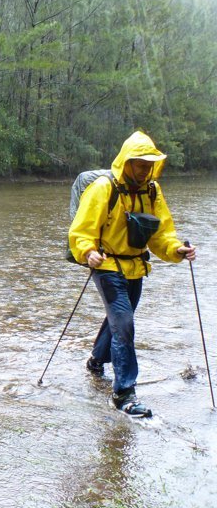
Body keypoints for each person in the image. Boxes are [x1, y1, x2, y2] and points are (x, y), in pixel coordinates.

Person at [69, 131, 196, 417]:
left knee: (119, 320)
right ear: (126, 162)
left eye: (149, 164)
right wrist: (88, 251)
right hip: (107, 265)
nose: (145, 169)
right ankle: (123, 394)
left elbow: (162, 233)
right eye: (140, 163)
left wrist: (176, 249)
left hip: (136, 266)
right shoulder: (103, 188)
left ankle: (95, 361)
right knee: (124, 323)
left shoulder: (152, 191)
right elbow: (81, 229)